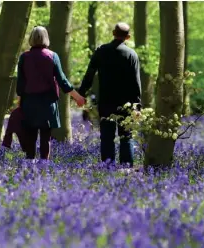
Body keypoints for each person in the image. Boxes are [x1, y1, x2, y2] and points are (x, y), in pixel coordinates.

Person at [16, 26, 85, 160]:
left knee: (30, 137)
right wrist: (77, 97)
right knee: (45, 138)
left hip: (29, 103)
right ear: (46, 38)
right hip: (48, 104)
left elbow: (20, 84)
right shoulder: (52, 56)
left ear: (31, 39)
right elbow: (62, 80)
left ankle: (29, 167)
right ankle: (44, 167)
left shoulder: (24, 57)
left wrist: (20, 101)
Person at [78, 22, 141, 166]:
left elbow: (89, 75)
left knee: (106, 137)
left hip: (106, 102)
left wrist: (81, 93)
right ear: (128, 37)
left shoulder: (101, 51)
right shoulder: (132, 55)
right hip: (127, 104)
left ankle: (107, 167)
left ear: (113, 33)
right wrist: (137, 105)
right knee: (127, 136)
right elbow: (136, 83)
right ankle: (126, 167)